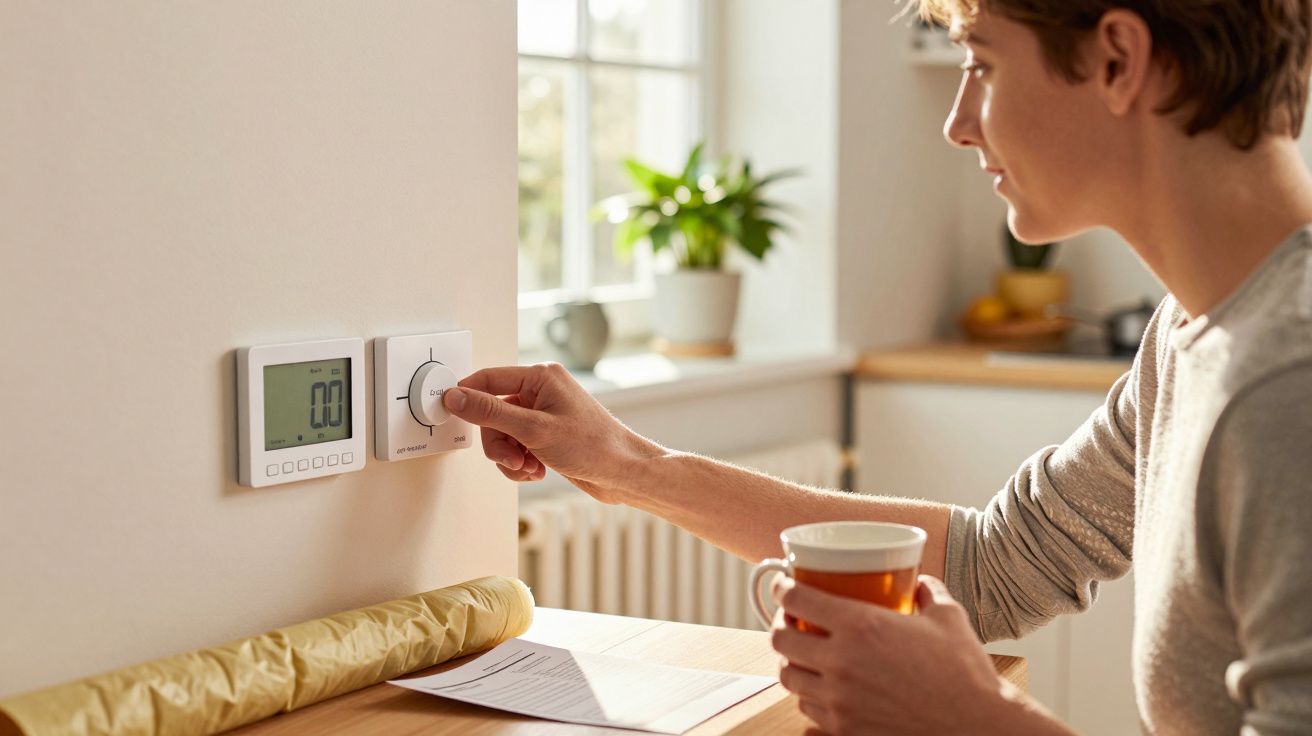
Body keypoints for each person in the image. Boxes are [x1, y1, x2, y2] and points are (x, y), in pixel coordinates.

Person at [443, 0, 1312, 732]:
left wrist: (972, 717)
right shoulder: (1194, 333)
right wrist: (631, 466)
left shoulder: (1286, 382)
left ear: (1117, 61)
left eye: (982, 64)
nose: (957, 121)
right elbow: (995, 566)